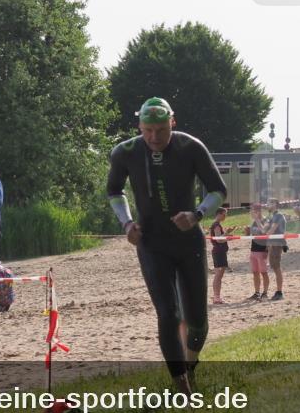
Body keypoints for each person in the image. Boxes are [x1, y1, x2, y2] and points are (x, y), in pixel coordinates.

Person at [106, 98, 226, 393]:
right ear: (139, 126)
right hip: (152, 243)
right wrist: (127, 223)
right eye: (147, 130)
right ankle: (180, 385)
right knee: (168, 314)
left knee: (198, 321)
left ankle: (190, 367)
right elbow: (114, 190)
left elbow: (218, 190)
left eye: (161, 130)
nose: (154, 138)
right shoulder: (126, 152)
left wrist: (197, 214)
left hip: (188, 242)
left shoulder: (190, 147)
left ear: (173, 122)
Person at [209, 208, 234, 305]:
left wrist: (227, 233)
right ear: (218, 214)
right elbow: (219, 240)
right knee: (218, 275)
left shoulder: (216, 224)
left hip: (219, 251)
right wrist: (228, 238)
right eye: (224, 214)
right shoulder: (216, 225)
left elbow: (219, 238)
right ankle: (216, 297)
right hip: (219, 252)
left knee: (218, 275)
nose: (225, 217)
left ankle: (217, 296)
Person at [265, 199, 288, 300]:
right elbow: (265, 230)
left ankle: (279, 292)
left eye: (270, 203)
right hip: (273, 244)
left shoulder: (278, 216)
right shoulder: (273, 216)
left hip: (277, 244)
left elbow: (271, 231)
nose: (268, 205)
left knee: (277, 268)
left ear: (276, 205)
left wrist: (263, 236)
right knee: (275, 268)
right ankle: (279, 292)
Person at [247, 202, 270, 299]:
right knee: (255, 272)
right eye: (252, 210)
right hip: (254, 249)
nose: (252, 212)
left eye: (253, 210)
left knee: (264, 272)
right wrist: (247, 231)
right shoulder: (253, 222)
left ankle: (265, 293)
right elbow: (253, 235)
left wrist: (267, 251)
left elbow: (264, 232)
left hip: (262, 250)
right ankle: (257, 292)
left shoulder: (266, 220)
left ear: (259, 210)